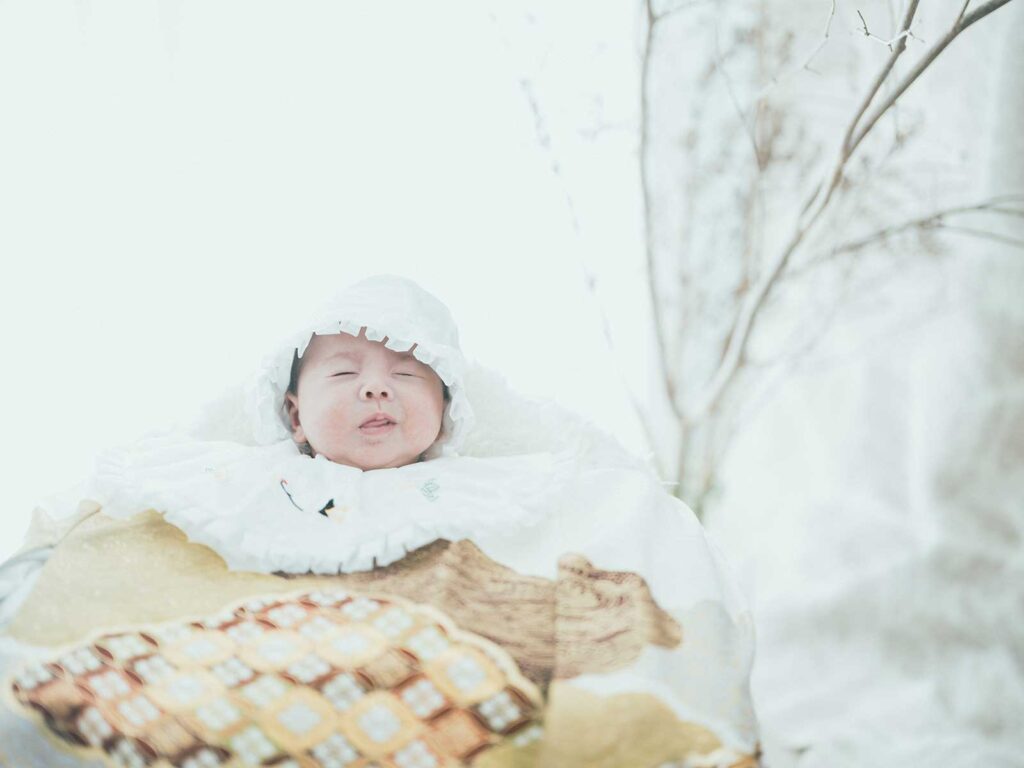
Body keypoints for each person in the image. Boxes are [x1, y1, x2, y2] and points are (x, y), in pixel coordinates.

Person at [0, 275, 762, 767]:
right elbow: (115, 544)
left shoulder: (501, 492)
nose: (376, 391)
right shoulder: (219, 480)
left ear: (449, 412)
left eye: (406, 375)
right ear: (292, 413)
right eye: (344, 373)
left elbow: (603, 531)